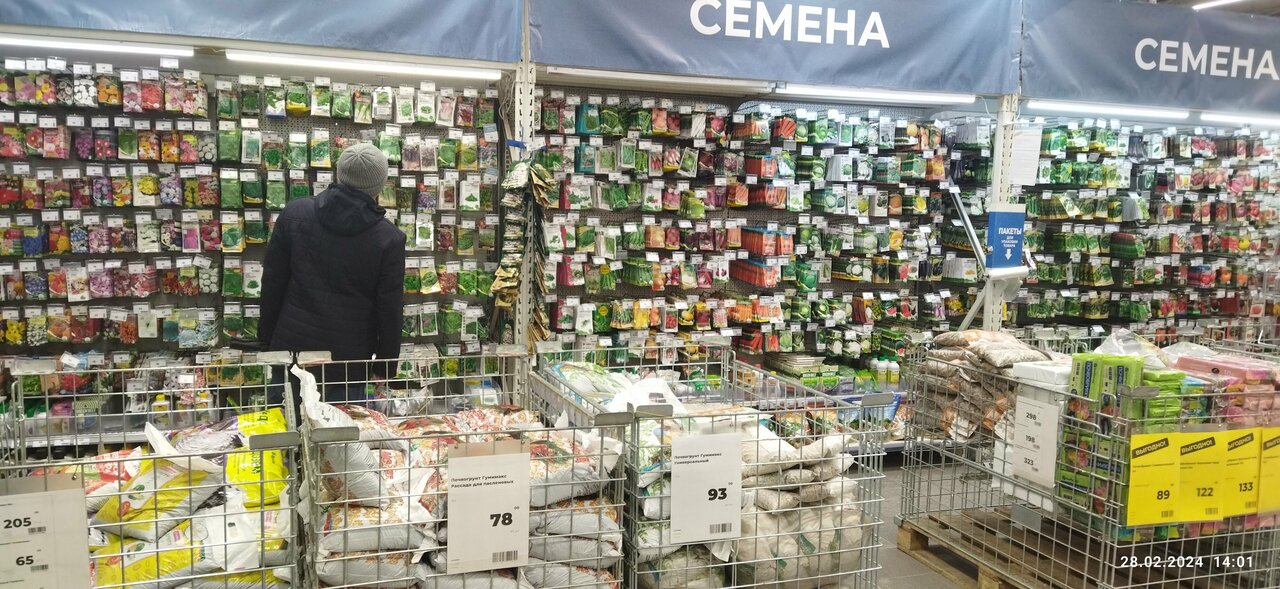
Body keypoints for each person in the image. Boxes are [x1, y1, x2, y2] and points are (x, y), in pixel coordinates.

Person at [260, 143, 406, 402]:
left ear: (339, 174)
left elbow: (272, 283)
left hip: (292, 352)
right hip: (348, 361)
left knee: (287, 420)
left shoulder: (294, 213)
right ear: (380, 186)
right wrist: (384, 366)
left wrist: (267, 339)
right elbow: (390, 310)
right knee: (343, 426)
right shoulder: (388, 238)